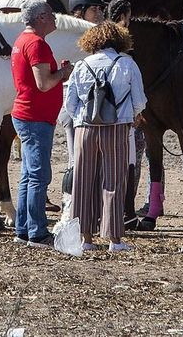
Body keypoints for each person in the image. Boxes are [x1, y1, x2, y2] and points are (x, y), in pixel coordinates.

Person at [63, 19, 146, 252]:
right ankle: (114, 239)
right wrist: (133, 114)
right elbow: (139, 101)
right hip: (117, 126)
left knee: (83, 181)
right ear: (119, 40)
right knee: (114, 181)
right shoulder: (127, 64)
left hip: (85, 128)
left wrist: (82, 118)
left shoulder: (81, 65)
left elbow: (70, 104)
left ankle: (85, 239)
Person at [11, 0, 72, 245]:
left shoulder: (22, 41)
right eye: (51, 13)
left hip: (27, 115)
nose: (55, 17)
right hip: (35, 117)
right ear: (41, 18)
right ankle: (37, 232)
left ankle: (24, 229)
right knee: (38, 176)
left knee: (29, 175)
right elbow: (44, 83)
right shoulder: (36, 44)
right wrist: (64, 73)